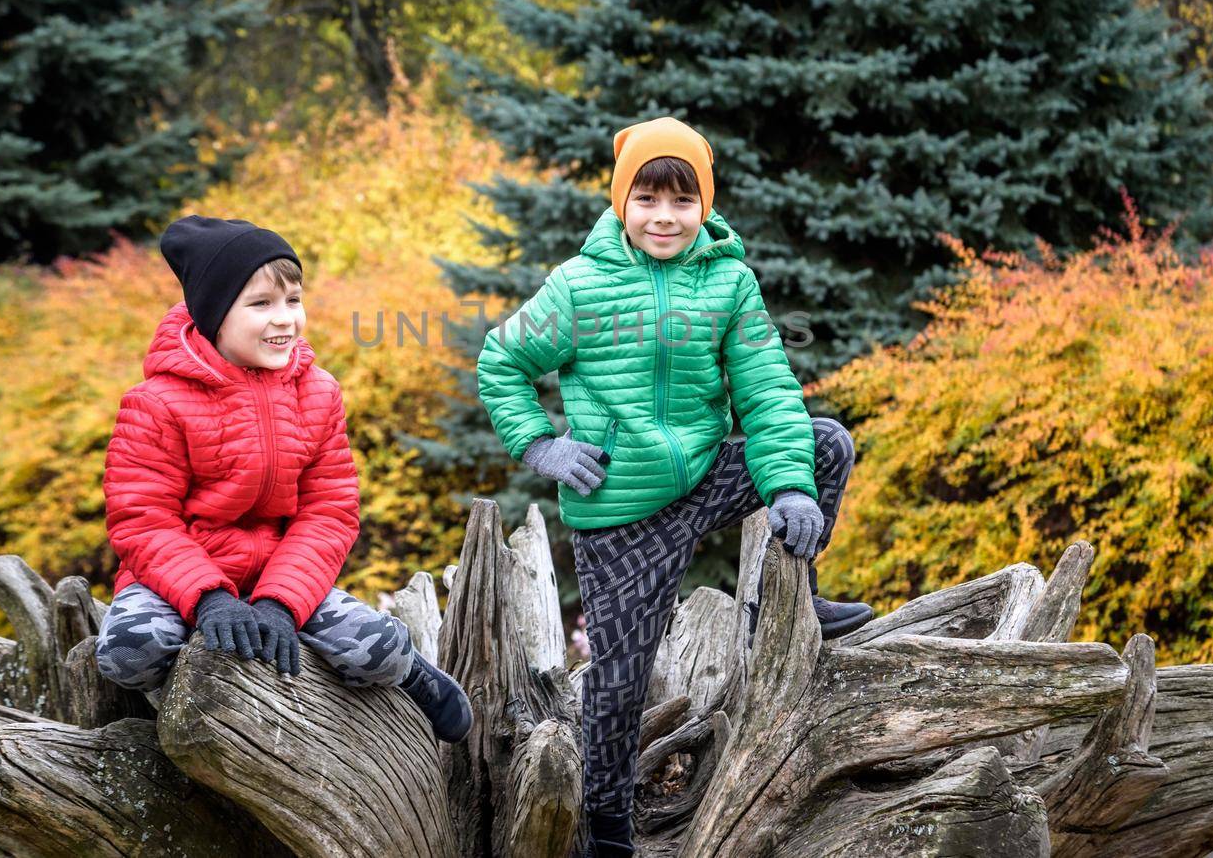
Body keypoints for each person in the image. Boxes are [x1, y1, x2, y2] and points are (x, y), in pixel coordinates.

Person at [477, 117, 875, 856]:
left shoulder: (729, 281)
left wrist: (789, 488)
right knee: (621, 683)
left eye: (682, 201)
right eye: (648, 199)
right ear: (622, 201)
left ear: (706, 204)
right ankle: (607, 832)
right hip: (620, 509)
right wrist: (542, 444)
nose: (665, 217)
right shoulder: (579, 285)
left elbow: (767, 392)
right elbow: (501, 361)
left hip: (702, 475)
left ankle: (785, 605)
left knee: (824, 444)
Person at [93, 214, 472, 744]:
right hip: (182, 577)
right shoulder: (156, 402)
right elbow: (142, 520)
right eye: (261, 304)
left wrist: (279, 601)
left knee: (377, 651)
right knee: (128, 654)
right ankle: (190, 719)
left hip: (282, 572)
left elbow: (329, 512)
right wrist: (207, 599)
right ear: (214, 315)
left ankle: (413, 675)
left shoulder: (318, 393)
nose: (285, 319)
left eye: (293, 300)